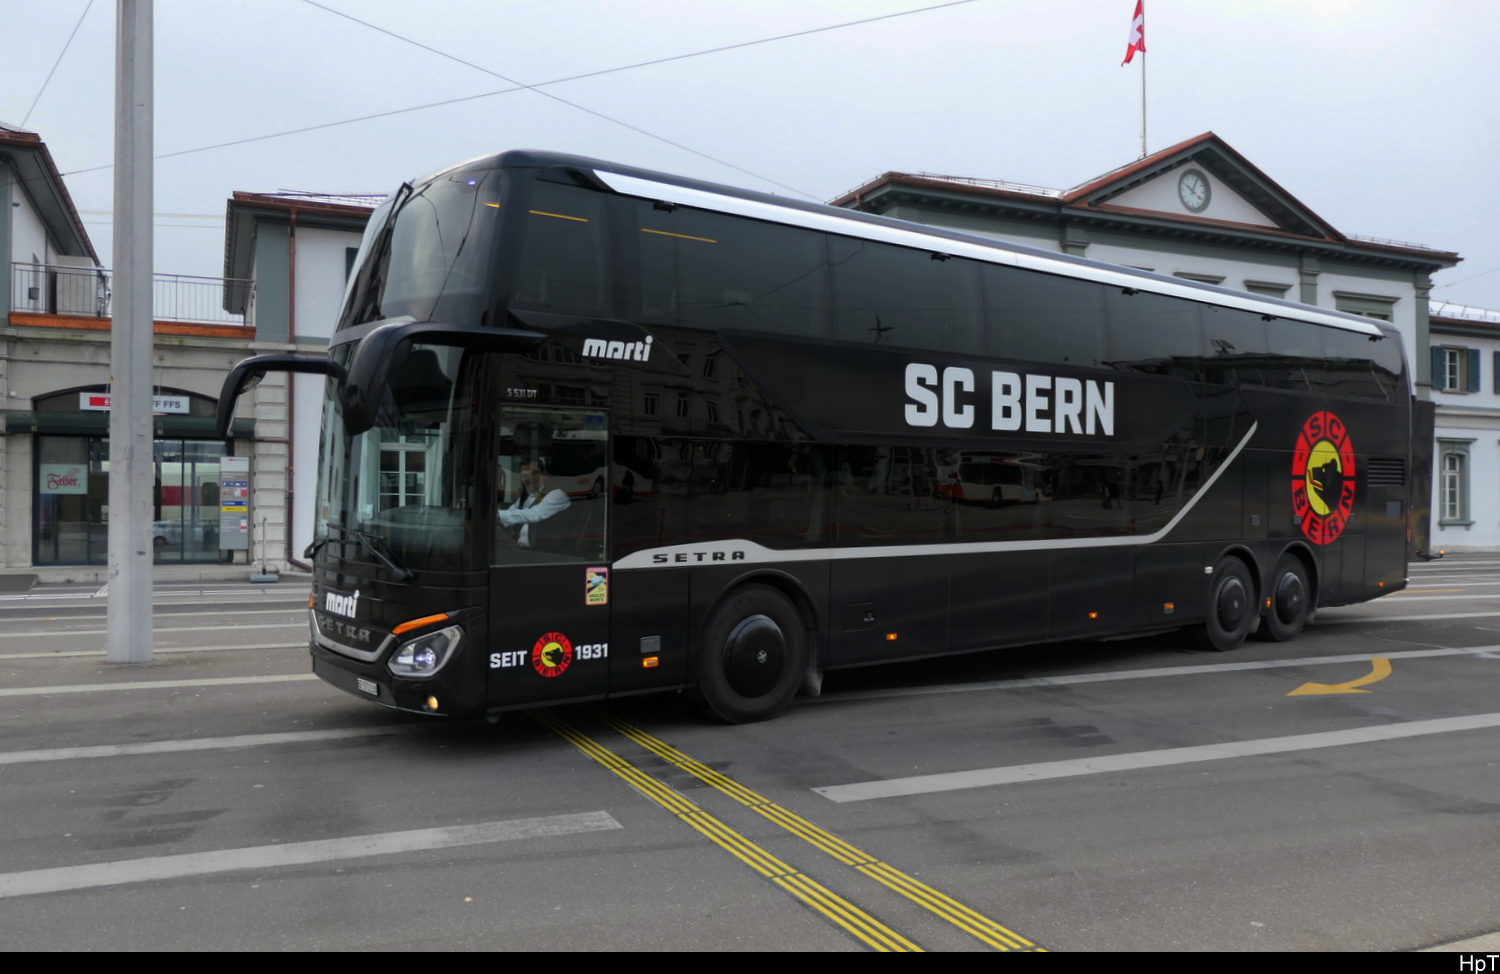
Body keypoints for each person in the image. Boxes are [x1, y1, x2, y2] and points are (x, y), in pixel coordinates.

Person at [498, 457, 571, 547]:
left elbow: (534, 514)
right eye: (525, 476)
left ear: (544, 473)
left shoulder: (557, 495)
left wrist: (498, 514)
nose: (530, 478)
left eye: (534, 473)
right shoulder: (525, 498)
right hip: (522, 550)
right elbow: (508, 515)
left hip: (548, 552)